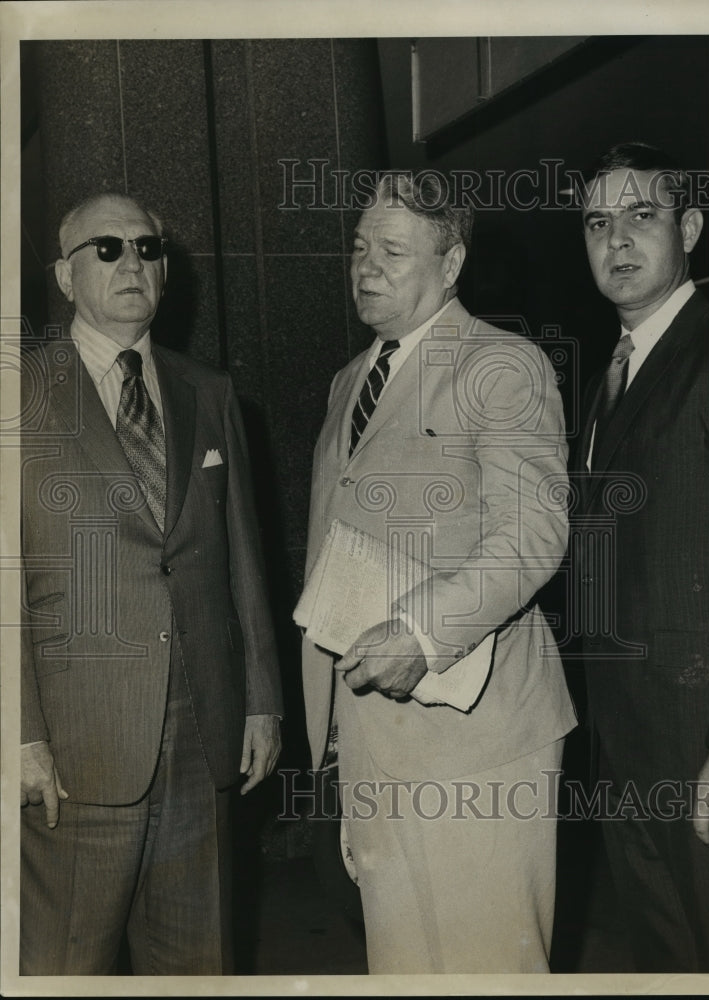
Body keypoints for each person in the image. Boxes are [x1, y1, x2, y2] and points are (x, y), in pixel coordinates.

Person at [300, 172, 576, 974]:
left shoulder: (502, 364)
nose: (365, 266)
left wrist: (422, 631)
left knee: (488, 970)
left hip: (476, 741)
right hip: (366, 738)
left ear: (450, 262)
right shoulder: (348, 381)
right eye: (358, 248)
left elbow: (532, 535)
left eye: (391, 250)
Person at [19, 193, 284, 975]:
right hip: (75, 746)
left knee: (194, 968)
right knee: (63, 966)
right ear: (63, 278)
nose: (132, 262)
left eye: (147, 247)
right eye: (105, 250)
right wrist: (20, 734)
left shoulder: (208, 391)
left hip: (203, 738)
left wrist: (262, 698)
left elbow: (243, 555)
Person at [572, 142, 709, 972]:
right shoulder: (605, 375)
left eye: (640, 216)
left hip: (703, 745)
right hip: (622, 743)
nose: (615, 240)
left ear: (688, 226)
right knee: (664, 962)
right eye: (596, 222)